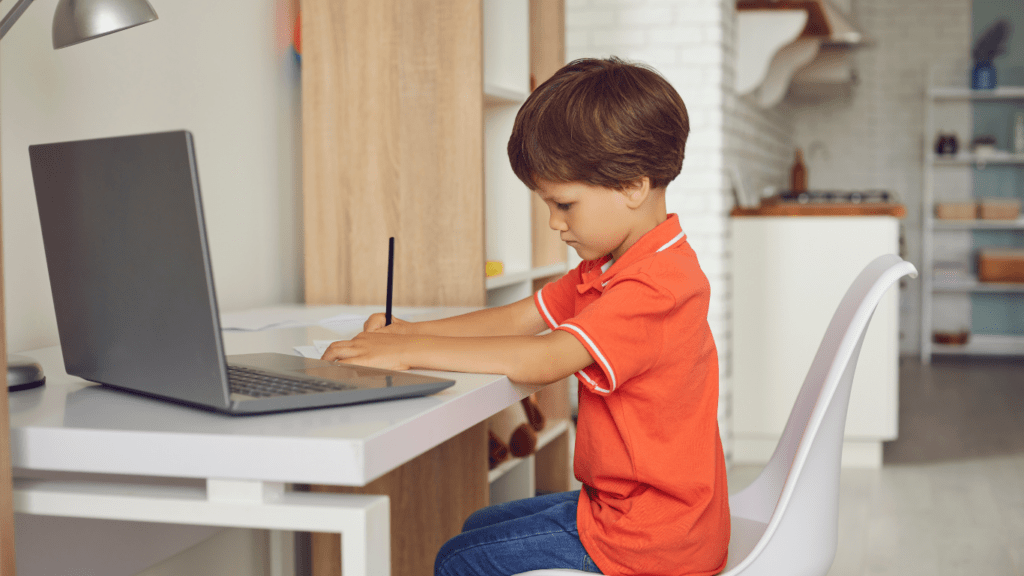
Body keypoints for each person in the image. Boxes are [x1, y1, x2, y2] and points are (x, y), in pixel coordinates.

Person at [321, 56, 730, 576]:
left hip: (652, 538)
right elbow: (521, 317)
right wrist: (409, 332)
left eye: (565, 204)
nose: (555, 223)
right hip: (630, 511)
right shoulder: (610, 264)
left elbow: (545, 357)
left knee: (456, 561)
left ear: (632, 185)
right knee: (476, 528)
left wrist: (407, 351)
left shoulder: (657, 285)